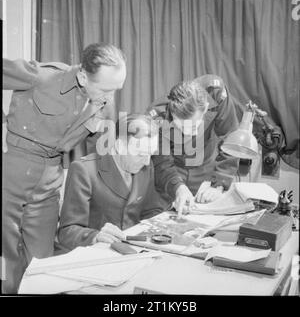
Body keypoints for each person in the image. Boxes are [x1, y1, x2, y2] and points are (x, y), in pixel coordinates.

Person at [2, 43, 127, 293]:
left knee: (43, 262)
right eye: (105, 89)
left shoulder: (104, 103)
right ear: (82, 76)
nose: (110, 98)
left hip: (49, 181)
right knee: (7, 261)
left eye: (116, 90)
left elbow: (102, 162)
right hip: (11, 174)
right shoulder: (42, 76)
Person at [58, 114, 164, 251]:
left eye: (151, 154)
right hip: (96, 255)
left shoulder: (145, 167)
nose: (147, 162)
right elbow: (67, 232)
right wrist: (95, 236)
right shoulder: (84, 170)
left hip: (134, 252)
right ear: (119, 146)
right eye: (141, 154)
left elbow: (151, 210)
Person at [147, 74, 240, 218]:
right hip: (171, 171)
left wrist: (220, 182)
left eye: (195, 126)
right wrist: (178, 187)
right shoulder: (157, 116)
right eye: (182, 127)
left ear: (206, 108)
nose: (190, 133)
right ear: (172, 114)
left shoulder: (215, 93)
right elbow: (162, 162)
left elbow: (230, 137)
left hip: (205, 166)